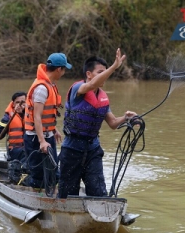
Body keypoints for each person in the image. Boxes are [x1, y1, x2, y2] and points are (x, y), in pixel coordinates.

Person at [58, 48, 137, 198]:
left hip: (93, 149)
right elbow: (91, 85)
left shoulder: (102, 98)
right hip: (72, 148)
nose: (104, 77)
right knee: (67, 193)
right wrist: (114, 67)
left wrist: (127, 118)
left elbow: (113, 123)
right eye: (100, 72)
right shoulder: (78, 89)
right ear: (89, 74)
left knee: (98, 191)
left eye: (105, 72)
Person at [24, 53, 71, 189]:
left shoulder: (49, 85)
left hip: (47, 135)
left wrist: (53, 129)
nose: (63, 73)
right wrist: (42, 141)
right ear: (58, 69)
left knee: (53, 174)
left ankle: (50, 198)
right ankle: (36, 199)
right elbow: (36, 116)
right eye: (64, 69)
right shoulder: (42, 88)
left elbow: (46, 115)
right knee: (39, 175)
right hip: (36, 139)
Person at [0, 91, 27, 162]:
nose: (20, 105)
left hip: (31, 149)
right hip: (15, 151)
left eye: (23, 102)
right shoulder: (8, 118)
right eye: (17, 102)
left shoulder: (33, 115)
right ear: (13, 104)